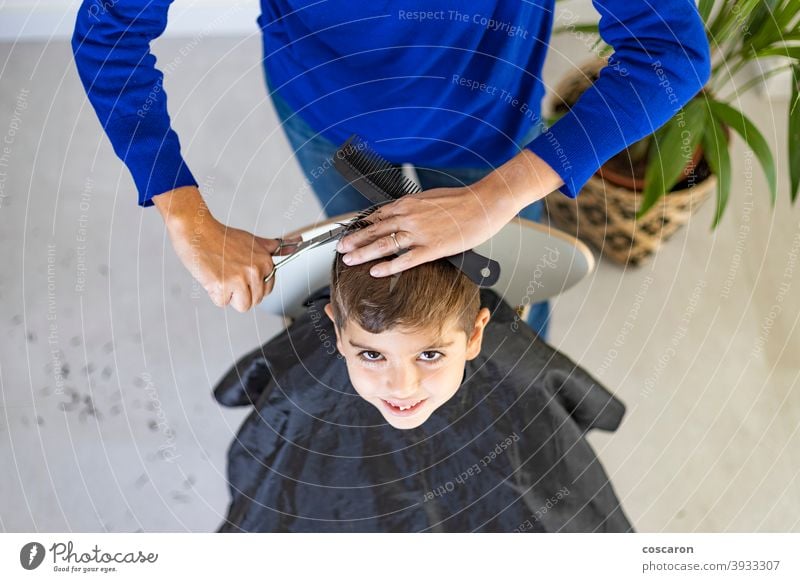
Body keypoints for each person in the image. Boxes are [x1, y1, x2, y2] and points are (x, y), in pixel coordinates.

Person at [71, 1, 711, 341]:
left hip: (488, 127)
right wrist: (185, 215)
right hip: (321, 109)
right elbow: (110, 35)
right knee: (370, 283)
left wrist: (495, 199)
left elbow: (669, 51)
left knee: (510, 298)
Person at [213, 242, 633, 531]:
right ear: (337, 334)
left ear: (474, 335)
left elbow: (242, 387)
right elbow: (591, 406)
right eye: (372, 355)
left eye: (429, 355)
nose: (401, 387)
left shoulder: (517, 373)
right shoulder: (310, 388)